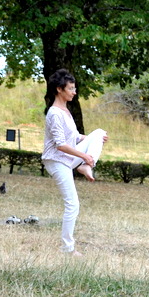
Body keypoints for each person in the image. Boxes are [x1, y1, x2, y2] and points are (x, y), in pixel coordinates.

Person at [42, 69, 108, 256]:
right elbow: (60, 144)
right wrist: (85, 155)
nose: (74, 91)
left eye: (74, 88)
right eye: (71, 88)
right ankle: (67, 249)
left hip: (68, 158)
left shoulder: (66, 111)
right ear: (59, 89)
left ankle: (86, 166)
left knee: (100, 133)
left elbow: (73, 137)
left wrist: (91, 140)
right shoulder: (54, 113)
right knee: (73, 204)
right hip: (56, 161)